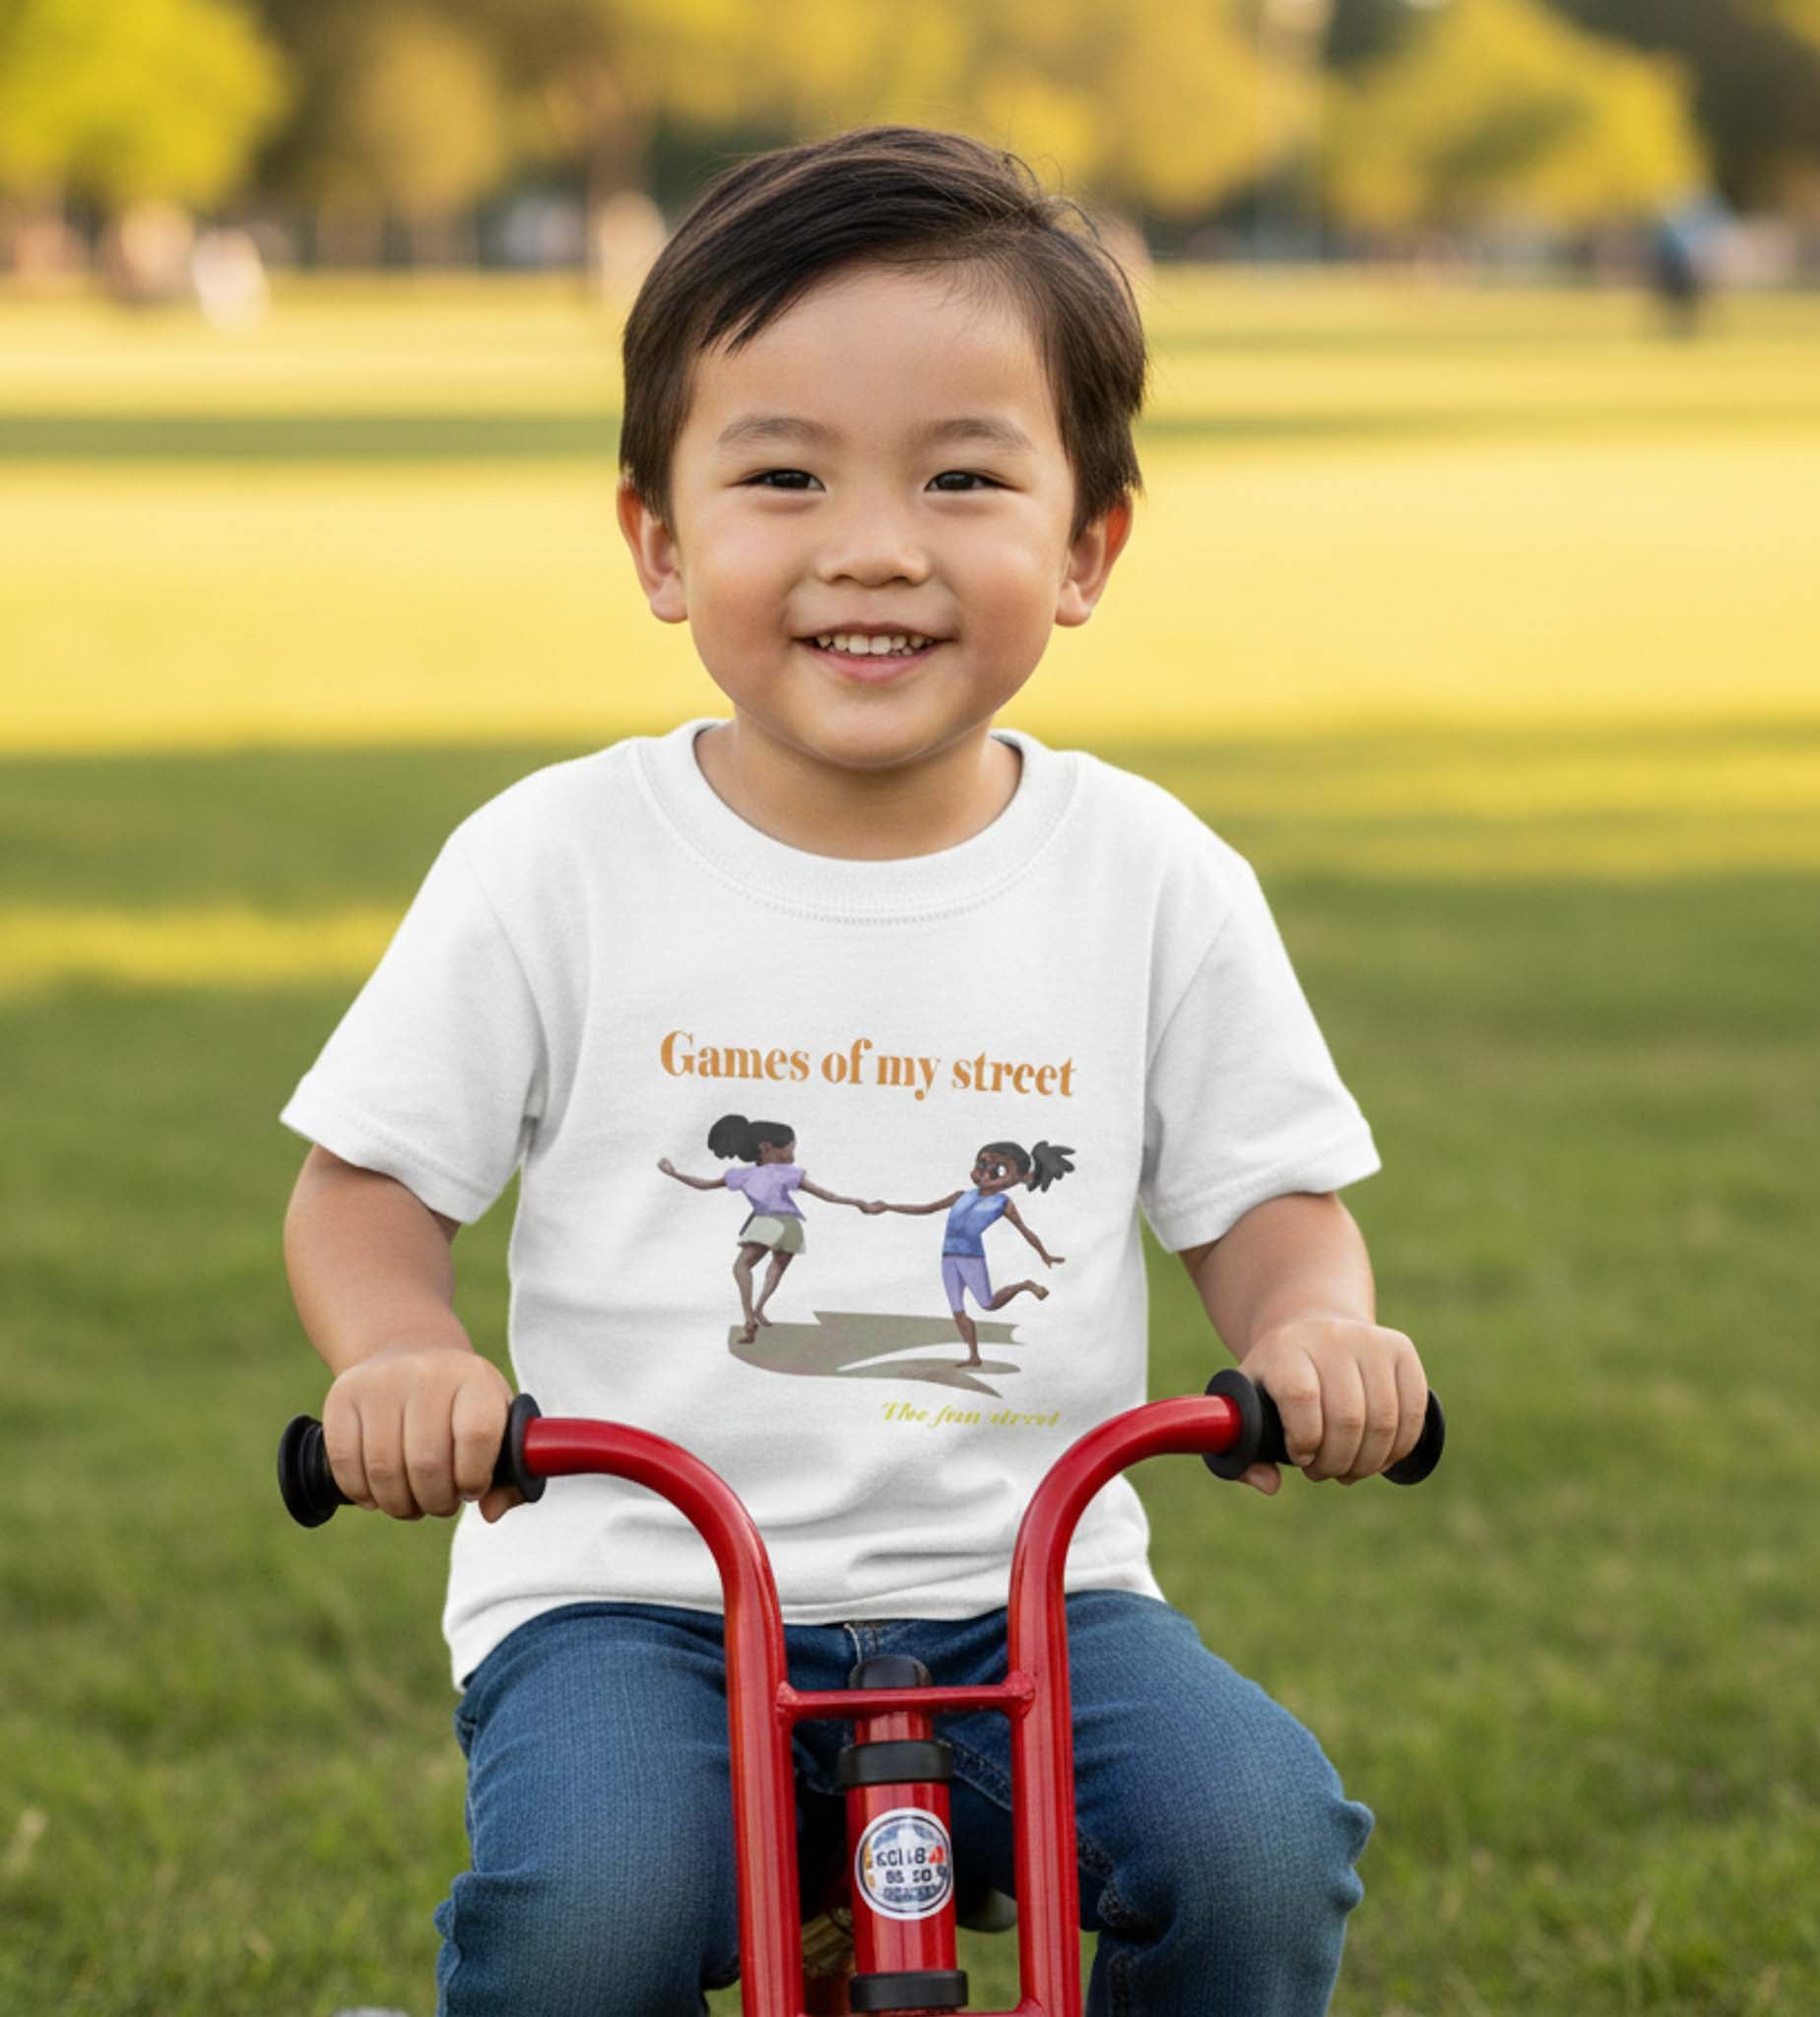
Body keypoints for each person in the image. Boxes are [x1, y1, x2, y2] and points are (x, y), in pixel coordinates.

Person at [280, 124, 1431, 2017]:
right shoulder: (553, 860)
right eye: (784, 476)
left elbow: (1266, 1209)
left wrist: (1311, 1330)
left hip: (1037, 1591)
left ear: (1083, 546)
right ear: (659, 537)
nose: (873, 544)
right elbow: (365, 1187)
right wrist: (402, 1353)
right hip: (633, 1595)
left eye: (964, 477)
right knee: (594, 1916)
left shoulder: (1147, 876)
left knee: (1249, 1835)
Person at [657, 1112, 878, 1341]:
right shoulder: (787, 1173)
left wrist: (674, 1174)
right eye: (789, 1150)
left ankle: (749, 1317)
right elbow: (829, 1196)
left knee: (741, 1267)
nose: (792, 1156)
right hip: (790, 1226)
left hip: (767, 1223)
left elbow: (704, 1185)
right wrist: (859, 1203)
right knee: (776, 1269)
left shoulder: (742, 1175)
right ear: (766, 1147)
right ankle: (759, 1308)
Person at [871, 1138, 1073, 1366]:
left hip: (971, 1257)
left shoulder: (1003, 1203)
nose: (987, 1174)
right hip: (948, 1257)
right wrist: (886, 1207)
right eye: (983, 1166)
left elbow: (1024, 1230)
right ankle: (974, 1356)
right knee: (958, 1311)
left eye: (997, 1169)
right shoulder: (960, 1196)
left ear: (1015, 1177)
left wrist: (1043, 1254)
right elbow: (925, 1209)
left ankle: (1024, 1285)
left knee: (988, 1304)